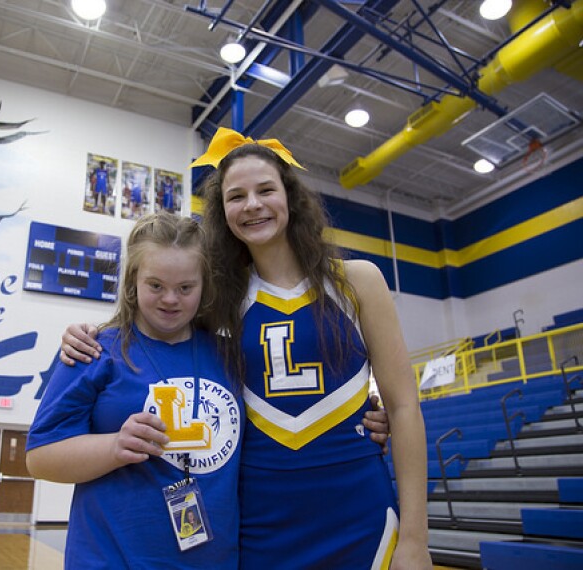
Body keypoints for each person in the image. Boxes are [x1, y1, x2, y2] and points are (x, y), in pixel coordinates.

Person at [60, 128, 431, 569]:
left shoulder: (358, 281)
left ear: (290, 198)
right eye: (237, 196)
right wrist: (87, 333)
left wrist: (416, 539)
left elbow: (404, 408)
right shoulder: (217, 301)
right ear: (223, 213)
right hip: (261, 518)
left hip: (358, 504)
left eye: (266, 190)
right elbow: (154, 323)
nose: (252, 204)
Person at [26, 212, 243, 569]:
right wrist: (113, 447)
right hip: (110, 559)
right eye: (155, 285)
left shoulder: (231, 356)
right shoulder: (94, 350)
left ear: (204, 285)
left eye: (185, 288)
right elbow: (39, 457)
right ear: (132, 281)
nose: (170, 299)